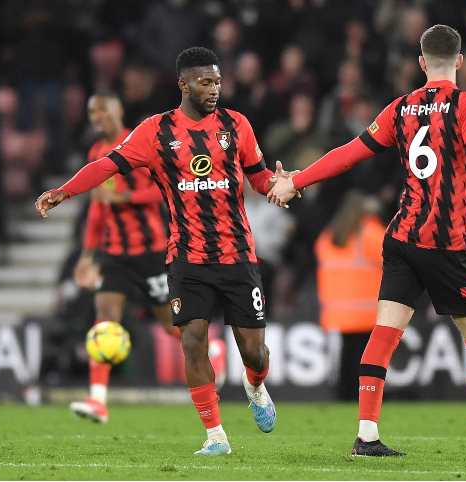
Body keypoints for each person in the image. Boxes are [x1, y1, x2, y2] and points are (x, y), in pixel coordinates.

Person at [269, 25, 466, 457]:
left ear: (421, 63)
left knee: (384, 334)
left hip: (401, 236)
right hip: (444, 245)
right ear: (459, 61)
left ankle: (367, 435)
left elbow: (349, 152)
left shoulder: (400, 108)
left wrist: (297, 180)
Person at [36, 47, 287, 456]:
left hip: (238, 254)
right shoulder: (155, 132)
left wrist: (278, 186)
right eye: (205, 82)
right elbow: (107, 165)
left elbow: (258, 178)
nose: (214, 89)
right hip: (185, 256)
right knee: (192, 340)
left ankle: (255, 384)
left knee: (255, 352)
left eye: (218, 81)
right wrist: (65, 190)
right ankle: (215, 435)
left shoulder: (236, 124)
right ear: (183, 84)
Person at [69, 93, 177, 424]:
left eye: (103, 109)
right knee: (104, 317)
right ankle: (98, 401)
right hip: (114, 253)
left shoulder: (140, 143)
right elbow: (98, 210)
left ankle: (207, 354)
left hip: (150, 252)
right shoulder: (95, 153)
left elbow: (165, 190)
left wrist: (125, 196)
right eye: (91, 112)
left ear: (118, 110)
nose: (97, 116)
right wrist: (88, 255)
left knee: (172, 325)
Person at [315, 191, 384, 401]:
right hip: (366, 311)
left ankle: (345, 394)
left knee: (348, 354)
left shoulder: (329, 236)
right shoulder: (371, 233)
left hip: (339, 311)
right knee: (366, 357)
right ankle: (364, 396)